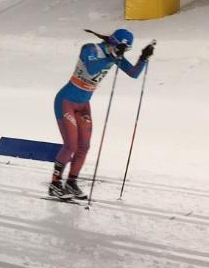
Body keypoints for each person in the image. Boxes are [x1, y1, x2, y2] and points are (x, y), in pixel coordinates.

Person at [51, 28, 154, 200]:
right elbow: (91, 69)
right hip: (66, 101)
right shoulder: (90, 49)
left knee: (84, 147)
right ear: (113, 42)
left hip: (83, 104)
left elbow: (133, 74)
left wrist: (143, 58)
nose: (121, 53)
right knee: (71, 146)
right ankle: (55, 184)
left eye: (126, 50)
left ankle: (71, 182)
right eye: (121, 48)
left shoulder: (114, 56)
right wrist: (113, 57)